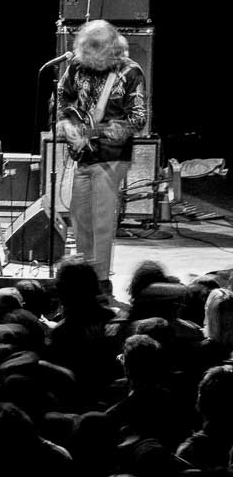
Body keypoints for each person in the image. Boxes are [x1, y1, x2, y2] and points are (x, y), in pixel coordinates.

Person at [57, 19, 147, 296]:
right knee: (79, 216)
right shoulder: (76, 65)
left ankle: (101, 284)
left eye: (95, 52)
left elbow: (138, 118)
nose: (90, 58)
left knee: (101, 221)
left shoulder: (130, 72)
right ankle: (84, 281)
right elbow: (61, 98)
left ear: (109, 49)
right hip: (82, 155)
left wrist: (108, 131)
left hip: (111, 157)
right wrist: (68, 125)